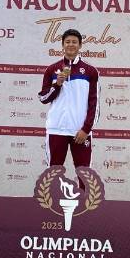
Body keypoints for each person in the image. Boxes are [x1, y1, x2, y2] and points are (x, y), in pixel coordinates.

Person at [38, 29, 99, 172]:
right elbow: (43, 98)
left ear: (80, 45)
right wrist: (57, 85)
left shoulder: (90, 71)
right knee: (53, 173)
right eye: (67, 42)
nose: (71, 45)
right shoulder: (52, 69)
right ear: (62, 45)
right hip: (56, 130)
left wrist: (86, 129)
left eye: (74, 42)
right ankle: (53, 195)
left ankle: (84, 195)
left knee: (85, 174)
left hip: (80, 131)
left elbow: (94, 103)